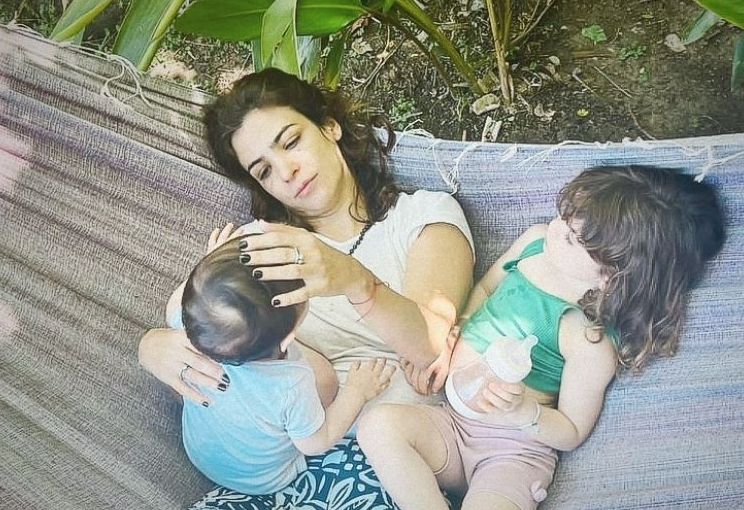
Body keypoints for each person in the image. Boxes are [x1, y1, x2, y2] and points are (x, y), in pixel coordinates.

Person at [356, 165, 725, 510]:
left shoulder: (586, 338)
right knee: (378, 426)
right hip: (452, 423)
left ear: (610, 276)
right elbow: (484, 289)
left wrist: (524, 413)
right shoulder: (533, 244)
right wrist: (456, 334)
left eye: (572, 238)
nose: (555, 228)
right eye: (563, 216)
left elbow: (572, 430)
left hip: (513, 454)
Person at [138, 68, 474, 412]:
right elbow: (199, 325)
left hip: (416, 434)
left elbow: (428, 345)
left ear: (329, 126)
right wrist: (152, 346)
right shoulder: (260, 249)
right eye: (264, 171)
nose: (286, 172)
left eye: (291, 142)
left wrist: (354, 279)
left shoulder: (422, 217)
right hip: (300, 439)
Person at [178, 235, 393, 494]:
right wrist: (357, 392)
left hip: (199, 450)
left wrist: (210, 271)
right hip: (262, 479)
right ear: (288, 339)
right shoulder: (290, 385)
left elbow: (194, 302)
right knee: (325, 383)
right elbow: (315, 443)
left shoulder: (195, 328)